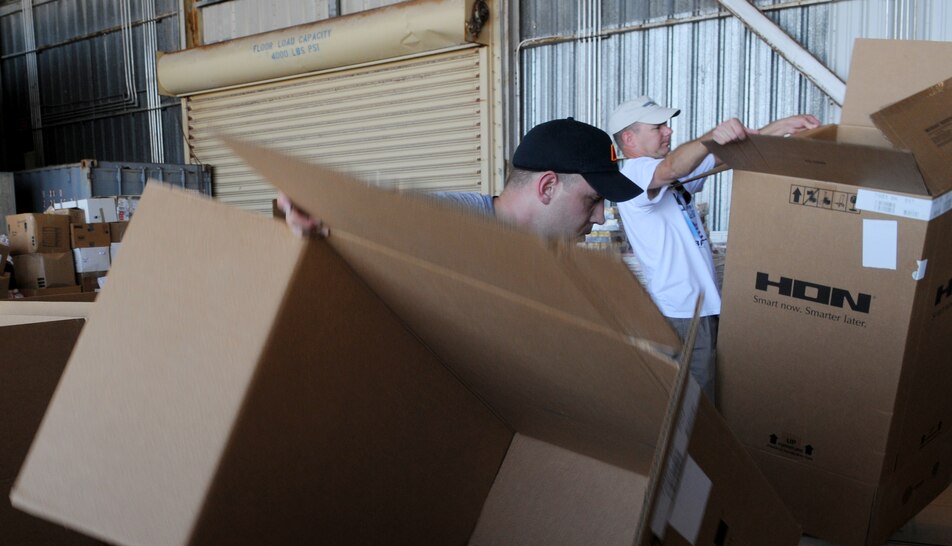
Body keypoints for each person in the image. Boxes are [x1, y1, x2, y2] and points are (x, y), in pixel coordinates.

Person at [607, 96, 820, 401]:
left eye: (666, 125)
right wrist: (710, 136)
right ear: (629, 138)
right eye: (657, 127)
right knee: (695, 409)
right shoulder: (633, 175)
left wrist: (781, 128)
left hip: (699, 308)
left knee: (702, 401)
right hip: (681, 311)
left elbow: (726, 157)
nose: (668, 131)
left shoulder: (671, 176)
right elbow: (670, 168)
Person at [278, 117, 642, 241]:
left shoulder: (547, 260)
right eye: (593, 200)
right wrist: (319, 213)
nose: (600, 217)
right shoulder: (450, 222)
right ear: (547, 187)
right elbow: (370, 217)